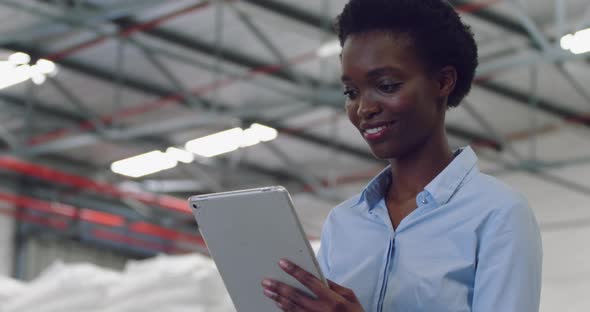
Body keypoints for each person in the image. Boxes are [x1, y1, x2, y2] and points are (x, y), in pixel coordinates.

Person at [261, 0, 543, 311]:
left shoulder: (497, 214)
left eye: (386, 85)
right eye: (351, 92)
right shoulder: (343, 224)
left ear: (442, 81)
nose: (364, 108)